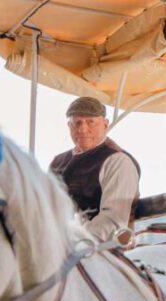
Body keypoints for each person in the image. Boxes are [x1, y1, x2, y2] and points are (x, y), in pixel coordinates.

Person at [49, 97, 141, 242]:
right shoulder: (57, 162)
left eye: (90, 122)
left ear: (105, 124)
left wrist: (68, 241)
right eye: (77, 122)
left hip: (102, 251)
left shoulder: (117, 161)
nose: (82, 129)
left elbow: (112, 221)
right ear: (69, 126)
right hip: (55, 245)